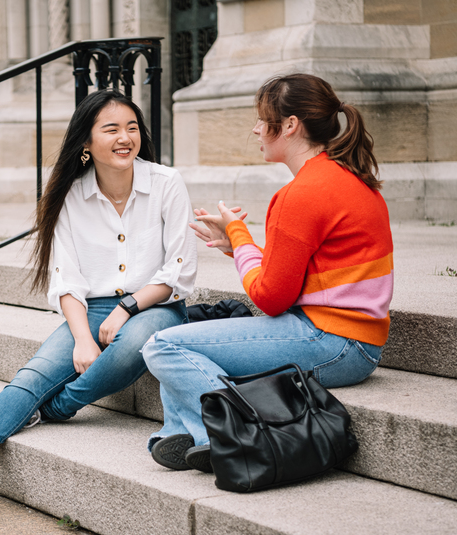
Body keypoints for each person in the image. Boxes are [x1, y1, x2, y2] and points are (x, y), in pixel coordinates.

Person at [0, 90, 197, 501]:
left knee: (136, 342)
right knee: (34, 374)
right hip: (91, 308)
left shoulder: (166, 183)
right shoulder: (71, 194)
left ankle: (52, 408)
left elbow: (179, 271)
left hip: (157, 304)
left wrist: (126, 308)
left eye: (132, 128)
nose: (125, 137)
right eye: (112, 129)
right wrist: (83, 338)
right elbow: (67, 280)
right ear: (86, 142)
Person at [143, 73, 393, 473]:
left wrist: (239, 235)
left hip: (333, 342)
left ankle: (231, 432)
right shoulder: (348, 178)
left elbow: (270, 298)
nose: (256, 129)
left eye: (263, 119)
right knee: (183, 343)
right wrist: (237, 249)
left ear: (290, 125)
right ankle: (188, 435)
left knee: (164, 346)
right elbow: (293, 281)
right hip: (352, 339)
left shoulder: (301, 194)